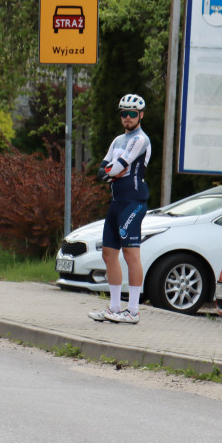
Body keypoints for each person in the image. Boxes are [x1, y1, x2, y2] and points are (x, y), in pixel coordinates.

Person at [89, 93, 152, 325]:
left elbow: (118, 167)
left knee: (131, 255)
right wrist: (108, 172)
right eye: (124, 113)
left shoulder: (140, 139)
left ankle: (133, 311)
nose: (127, 117)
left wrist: (109, 172)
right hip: (116, 203)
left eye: (132, 114)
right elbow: (104, 166)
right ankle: (115, 308)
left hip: (133, 202)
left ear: (140, 115)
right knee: (108, 254)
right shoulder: (117, 140)